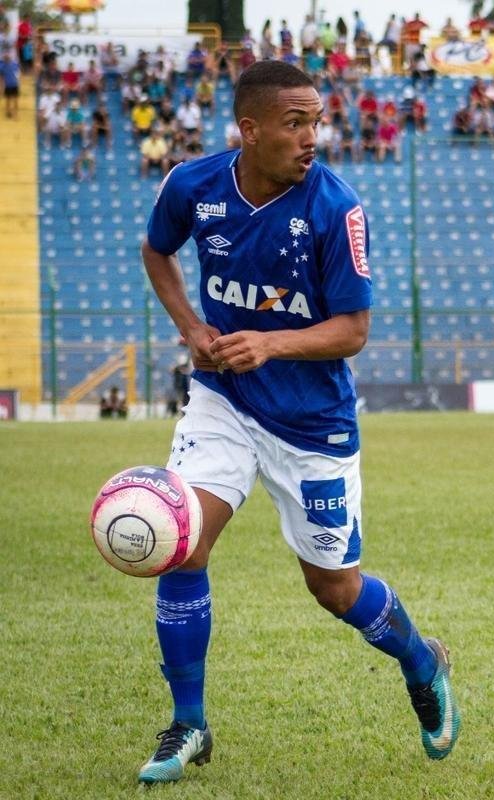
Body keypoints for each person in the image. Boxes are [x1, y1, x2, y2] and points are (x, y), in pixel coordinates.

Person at [137, 60, 460, 784]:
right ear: (249, 130)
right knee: (183, 544)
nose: (312, 136)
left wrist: (271, 342)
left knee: (335, 589)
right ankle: (188, 724)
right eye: (294, 123)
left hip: (312, 424)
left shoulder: (335, 210)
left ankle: (421, 661)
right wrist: (191, 325)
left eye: (316, 120)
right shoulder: (192, 185)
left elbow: (353, 331)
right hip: (222, 400)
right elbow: (156, 249)